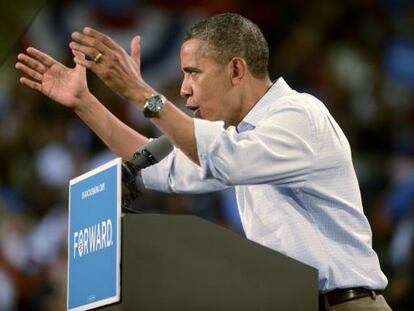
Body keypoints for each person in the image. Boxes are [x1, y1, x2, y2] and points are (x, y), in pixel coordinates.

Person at [16, 13, 391, 310]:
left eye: (193, 72)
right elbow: (162, 169)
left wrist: (139, 91)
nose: (183, 89)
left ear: (236, 70)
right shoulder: (242, 137)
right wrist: (85, 103)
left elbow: (221, 160)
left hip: (346, 304)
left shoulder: (299, 116)